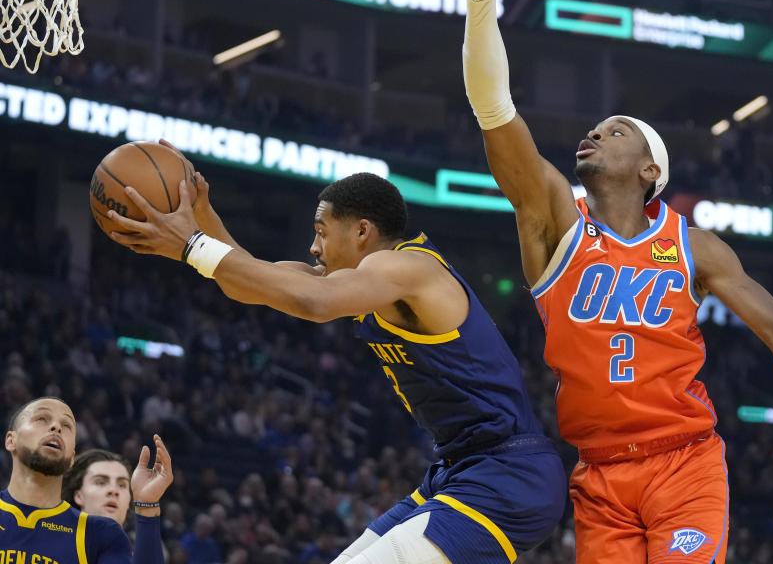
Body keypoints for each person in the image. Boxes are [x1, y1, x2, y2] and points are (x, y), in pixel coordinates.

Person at [462, 0, 773, 564]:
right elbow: (495, 111)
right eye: (594, 128)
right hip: (599, 474)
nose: (594, 133)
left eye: (617, 130)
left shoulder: (694, 249)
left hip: (683, 462)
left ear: (649, 168)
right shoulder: (554, 222)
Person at [105, 163, 566, 564]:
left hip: (510, 476)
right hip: (461, 472)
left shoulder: (406, 269)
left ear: (362, 231)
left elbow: (313, 302)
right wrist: (201, 227)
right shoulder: (363, 279)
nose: (313, 246)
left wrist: (193, 245)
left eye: (322, 231)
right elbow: (250, 281)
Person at [2, 397, 173, 564]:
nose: (56, 427)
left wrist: (146, 506)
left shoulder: (99, 533)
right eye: (41, 418)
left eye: (67, 425)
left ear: (71, 458)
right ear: (11, 440)